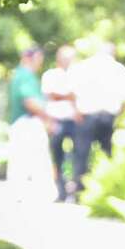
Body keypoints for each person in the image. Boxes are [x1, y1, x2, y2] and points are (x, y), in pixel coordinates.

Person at [69, 42, 125, 193]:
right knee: (106, 154)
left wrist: (76, 110)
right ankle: (104, 190)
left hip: (86, 116)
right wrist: (120, 111)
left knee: (81, 154)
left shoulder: (84, 66)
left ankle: (79, 191)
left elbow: (70, 90)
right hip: (107, 117)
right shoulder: (119, 70)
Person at [6, 47, 56, 201]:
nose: (39, 64)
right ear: (28, 58)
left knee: (21, 159)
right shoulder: (25, 76)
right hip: (27, 122)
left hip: (23, 122)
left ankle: (20, 193)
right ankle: (41, 194)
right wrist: (48, 118)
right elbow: (29, 101)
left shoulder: (20, 75)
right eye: (38, 59)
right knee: (35, 159)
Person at [41, 45, 78, 201]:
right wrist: (68, 96)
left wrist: (65, 96)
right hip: (56, 120)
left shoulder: (77, 75)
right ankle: (61, 190)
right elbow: (50, 95)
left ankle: (75, 189)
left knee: (78, 155)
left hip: (74, 121)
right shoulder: (51, 75)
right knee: (57, 157)